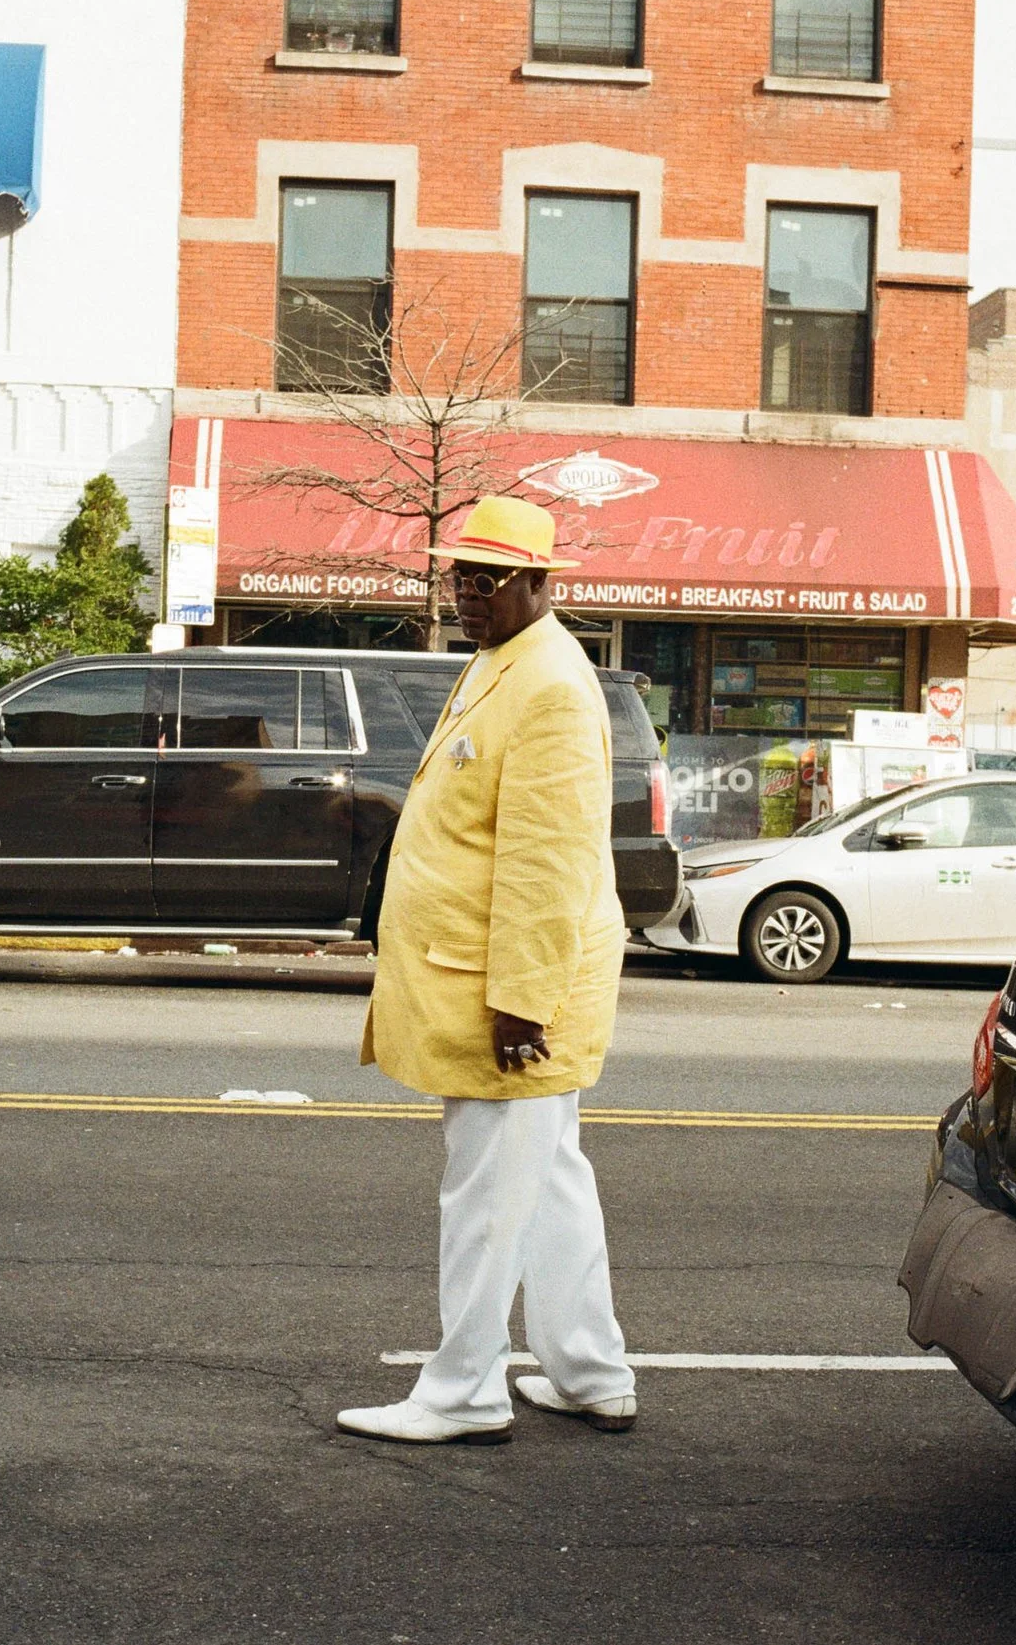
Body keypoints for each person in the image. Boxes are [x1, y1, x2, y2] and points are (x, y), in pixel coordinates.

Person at [337, 494, 637, 1445]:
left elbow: (550, 866)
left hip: (509, 997)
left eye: (488, 578)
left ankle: (464, 1387)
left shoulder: (548, 683)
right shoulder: (503, 661)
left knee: (484, 1198)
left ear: (541, 585)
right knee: (548, 1183)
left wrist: (520, 1003)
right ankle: (592, 1371)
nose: (468, 592)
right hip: (492, 980)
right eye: (460, 575)